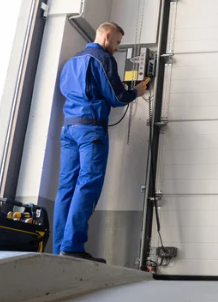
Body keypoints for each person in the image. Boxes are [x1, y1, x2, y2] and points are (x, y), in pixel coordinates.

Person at [53, 22, 148, 263]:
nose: (116, 47)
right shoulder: (102, 59)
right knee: (88, 184)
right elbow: (117, 97)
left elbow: (67, 90)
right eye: (116, 42)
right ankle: (72, 247)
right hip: (91, 131)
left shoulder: (71, 62)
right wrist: (137, 90)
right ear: (107, 36)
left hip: (69, 128)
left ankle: (58, 251)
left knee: (66, 187)